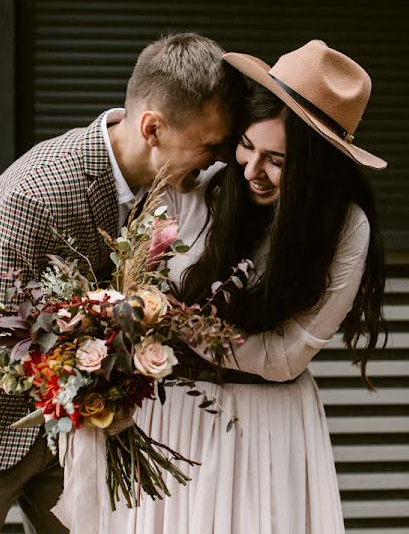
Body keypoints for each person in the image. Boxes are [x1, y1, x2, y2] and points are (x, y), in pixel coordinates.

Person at [0, 32, 245, 534]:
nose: (219, 158)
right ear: (152, 128)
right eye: (209, 144)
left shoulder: (171, 191)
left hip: (70, 434)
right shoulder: (36, 192)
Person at [77, 40, 386, 533]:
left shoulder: (347, 228)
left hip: (266, 426)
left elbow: (286, 356)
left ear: (318, 166)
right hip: (173, 412)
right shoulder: (202, 185)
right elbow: (140, 277)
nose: (250, 171)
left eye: (278, 162)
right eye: (246, 145)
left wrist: (180, 325)